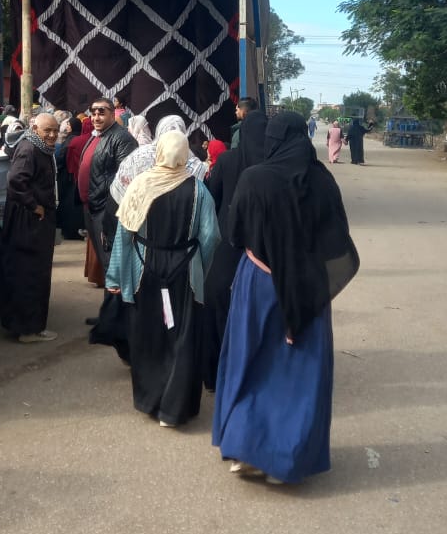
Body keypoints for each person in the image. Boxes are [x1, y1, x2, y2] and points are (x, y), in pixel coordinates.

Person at [212, 111, 359, 484]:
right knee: (297, 373)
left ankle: (247, 449)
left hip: (259, 283)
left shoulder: (254, 178)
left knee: (252, 364)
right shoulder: (322, 181)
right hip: (308, 289)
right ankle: (287, 457)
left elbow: (234, 233)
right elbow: (336, 240)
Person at [106, 130, 219, 427]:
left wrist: (116, 276)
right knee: (182, 335)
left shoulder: (142, 185)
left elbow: (124, 233)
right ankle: (175, 409)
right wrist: (199, 268)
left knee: (148, 333)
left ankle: (150, 400)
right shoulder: (198, 190)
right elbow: (210, 236)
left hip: (146, 268)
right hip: (185, 270)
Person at [198, 110, 269, 393]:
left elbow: (211, 196)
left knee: (217, 302)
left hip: (228, 243)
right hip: (263, 248)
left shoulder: (227, 160)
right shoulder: (272, 163)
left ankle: (215, 374)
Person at [0, 113, 60, 343]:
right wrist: (35, 206)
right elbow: (15, 181)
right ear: (35, 129)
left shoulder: (38, 148)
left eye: (55, 130)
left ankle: (23, 325)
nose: (52, 135)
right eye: (47, 130)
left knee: (28, 272)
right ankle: (29, 329)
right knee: (31, 273)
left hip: (32, 221)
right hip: (30, 222)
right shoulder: (29, 149)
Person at [76, 97, 138, 275]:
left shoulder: (122, 138)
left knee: (112, 262)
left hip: (107, 209)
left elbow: (125, 177)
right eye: (93, 113)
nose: (96, 117)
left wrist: (104, 201)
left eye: (101, 113)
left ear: (113, 113)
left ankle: (117, 302)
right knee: (106, 262)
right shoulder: (98, 135)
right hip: (91, 207)